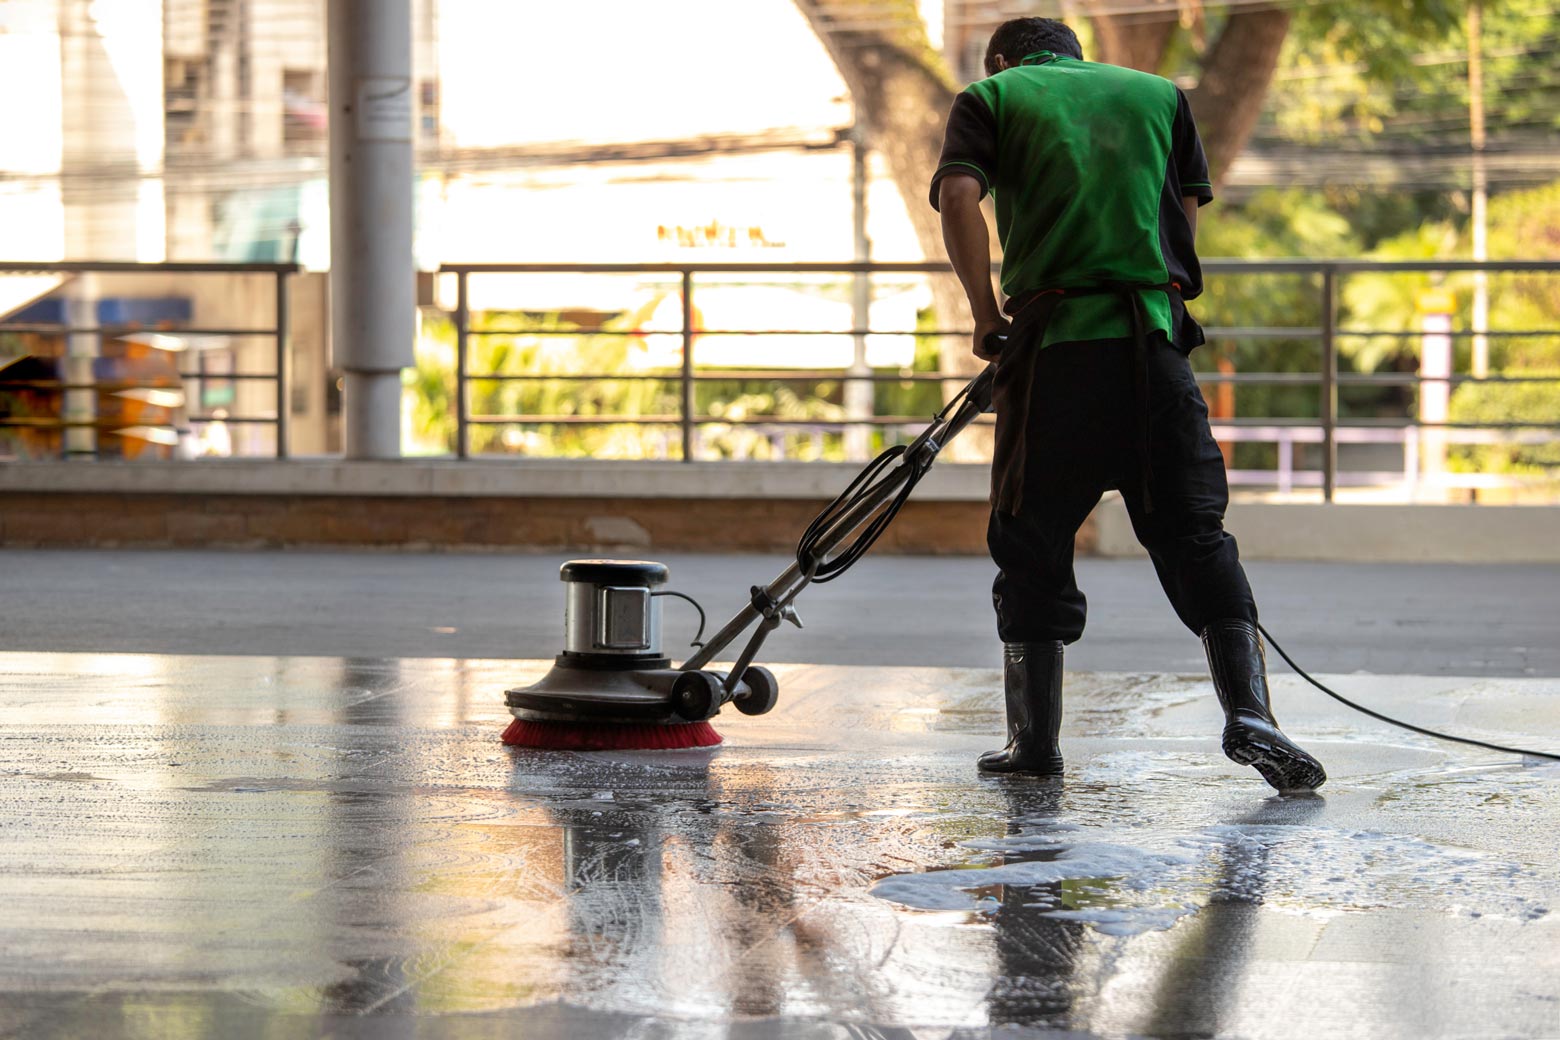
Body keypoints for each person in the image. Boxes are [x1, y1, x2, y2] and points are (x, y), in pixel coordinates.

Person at [931, 16, 1325, 791]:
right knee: (1196, 535)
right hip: (1152, 347)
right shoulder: (1159, 96)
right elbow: (1184, 212)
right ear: (1078, 55)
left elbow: (957, 197)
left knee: (1030, 541)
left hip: (1053, 356)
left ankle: (1033, 744)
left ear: (1005, 59)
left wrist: (984, 313)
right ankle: (1252, 713)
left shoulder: (992, 95)